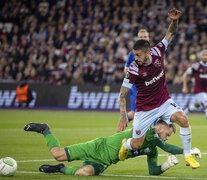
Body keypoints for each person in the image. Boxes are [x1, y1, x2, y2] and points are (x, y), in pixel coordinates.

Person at [117, 8, 200, 169]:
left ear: (147, 53)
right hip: (145, 110)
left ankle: (188, 155)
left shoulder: (157, 51)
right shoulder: (133, 68)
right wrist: (122, 116)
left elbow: (170, 34)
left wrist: (174, 21)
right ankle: (126, 145)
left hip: (164, 102)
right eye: (134, 55)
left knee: (183, 119)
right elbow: (122, 95)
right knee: (136, 145)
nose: (136, 59)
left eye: (138, 55)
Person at [24, 120, 201, 176]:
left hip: (105, 161)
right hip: (97, 147)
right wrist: (187, 150)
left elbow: (153, 171)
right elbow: (166, 145)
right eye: (168, 133)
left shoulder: (152, 147)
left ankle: (61, 170)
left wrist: (166, 166)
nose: (167, 137)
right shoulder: (146, 130)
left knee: (83, 173)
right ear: (160, 126)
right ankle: (45, 129)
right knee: (57, 154)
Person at [125, 29, 150, 122]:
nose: (143, 39)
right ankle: (121, 129)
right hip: (137, 88)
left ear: (149, 38)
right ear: (138, 39)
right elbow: (126, 68)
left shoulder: (154, 52)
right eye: (141, 37)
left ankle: (156, 135)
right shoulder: (132, 53)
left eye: (145, 37)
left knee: (156, 112)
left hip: (151, 86)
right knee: (134, 113)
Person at [182, 49, 207, 119]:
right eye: (203, 55)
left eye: (206, 55)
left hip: (205, 91)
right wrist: (184, 87)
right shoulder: (196, 66)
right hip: (199, 91)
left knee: (195, 106)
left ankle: (182, 114)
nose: (205, 56)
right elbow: (185, 75)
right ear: (200, 56)